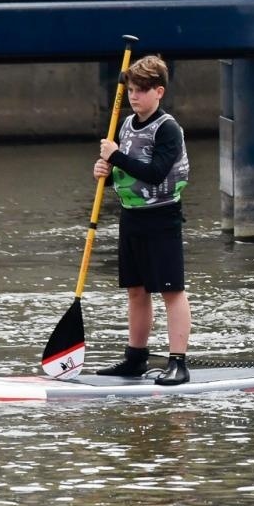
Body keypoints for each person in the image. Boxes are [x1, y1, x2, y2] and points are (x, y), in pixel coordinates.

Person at [92, 54, 192, 385]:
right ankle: (135, 358)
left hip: (162, 217)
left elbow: (155, 172)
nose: (134, 96)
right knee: (136, 290)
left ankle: (178, 362)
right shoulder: (125, 125)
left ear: (158, 92)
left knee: (171, 290)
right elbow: (123, 170)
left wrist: (115, 156)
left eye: (141, 90)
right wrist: (105, 172)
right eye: (131, 90)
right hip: (131, 216)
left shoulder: (168, 129)